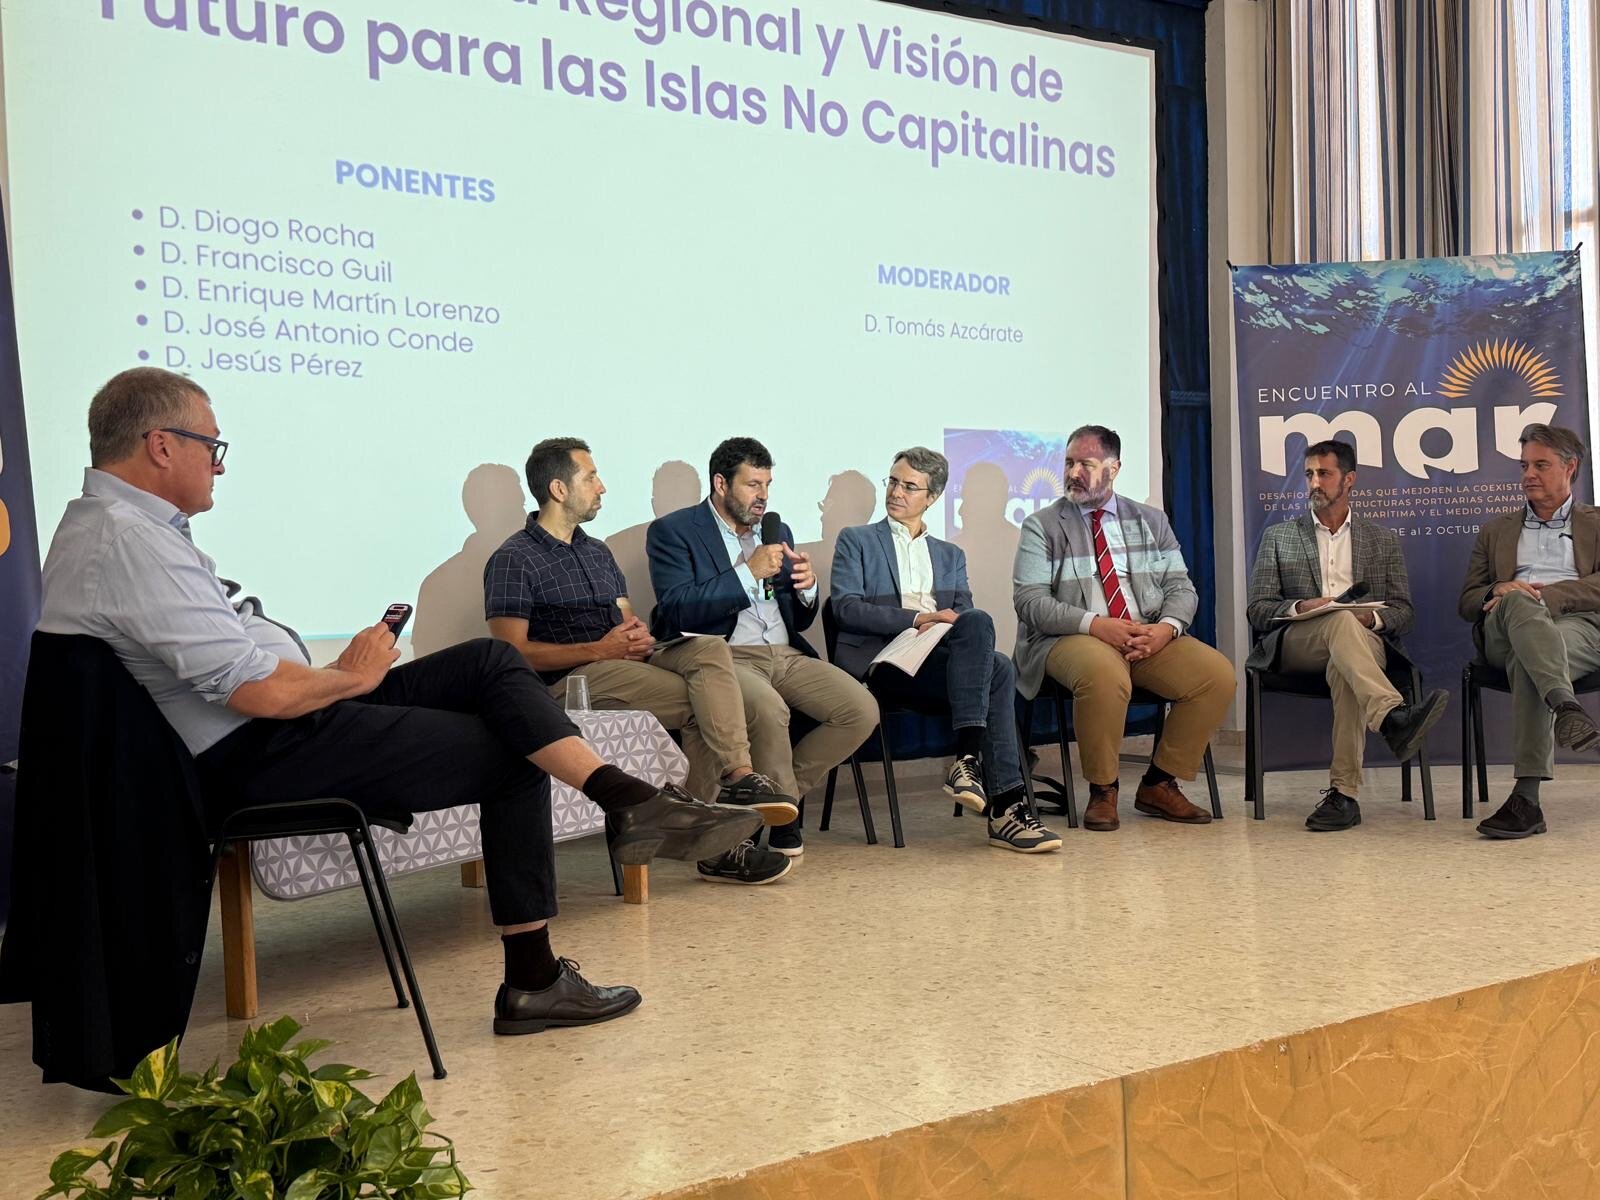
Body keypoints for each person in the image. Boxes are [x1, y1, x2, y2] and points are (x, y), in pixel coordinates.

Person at [36, 368, 761, 1036]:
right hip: (262, 741)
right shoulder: (128, 540)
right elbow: (253, 690)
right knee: (514, 751)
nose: (218, 464)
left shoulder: (122, 528)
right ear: (161, 445)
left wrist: (339, 674)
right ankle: (537, 973)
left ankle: (624, 801)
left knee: (488, 662)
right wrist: (349, 679)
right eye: (211, 446)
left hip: (286, 713)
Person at [484, 437, 795, 886]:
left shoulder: (596, 551)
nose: (602, 487)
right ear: (558, 489)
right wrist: (601, 649)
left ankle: (730, 789)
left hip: (625, 664)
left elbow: (627, 619)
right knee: (704, 703)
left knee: (708, 649)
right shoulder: (514, 559)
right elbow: (510, 653)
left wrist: (637, 637)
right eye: (591, 477)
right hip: (571, 679)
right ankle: (716, 830)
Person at [647, 437, 878, 857]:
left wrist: (807, 589)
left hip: (786, 654)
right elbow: (677, 609)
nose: (763, 496)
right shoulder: (674, 531)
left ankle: (775, 801)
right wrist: (745, 573)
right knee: (770, 711)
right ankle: (784, 822)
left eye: (767, 485)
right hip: (726, 655)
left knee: (860, 710)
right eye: (753, 485)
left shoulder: (776, 531)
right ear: (721, 484)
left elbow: (797, 617)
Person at [830, 447, 1061, 853]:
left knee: (987, 643)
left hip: (937, 661)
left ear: (932, 497)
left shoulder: (949, 554)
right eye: (893, 481)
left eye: (909, 486)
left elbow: (965, 618)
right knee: (998, 667)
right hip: (886, 662)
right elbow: (846, 609)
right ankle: (999, 799)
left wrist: (942, 626)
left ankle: (974, 771)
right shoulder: (857, 540)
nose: (896, 492)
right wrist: (918, 619)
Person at [1012, 424, 1233, 832]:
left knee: (1216, 676)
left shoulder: (1151, 520)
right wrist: (1096, 625)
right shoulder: (1042, 525)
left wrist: (1166, 628)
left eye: (1086, 464)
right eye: (1069, 463)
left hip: (1145, 634)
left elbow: (1180, 587)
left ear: (1114, 469)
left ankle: (1159, 784)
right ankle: (1103, 789)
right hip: (1071, 636)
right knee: (1104, 673)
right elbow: (1030, 602)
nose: (1073, 473)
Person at [1246, 439, 1449, 830]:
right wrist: (1302, 607)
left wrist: (1369, 620)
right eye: (1309, 474)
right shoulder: (1279, 537)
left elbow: (1404, 612)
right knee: (1338, 623)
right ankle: (1392, 716)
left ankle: (1344, 796)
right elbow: (1258, 609)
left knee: (1346, 661)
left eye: (1324, 474)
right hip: (1299, 642)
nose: (1314, 483)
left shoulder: (1382, 539)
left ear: (1349, 479)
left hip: (1363, 640)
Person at [1458, 423, 1600, 839]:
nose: (1529, 475)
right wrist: (1500, 589)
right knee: (1518, 603)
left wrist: (1547, 596)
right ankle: (1565, 706)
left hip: (1579, 628)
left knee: (1531, 654)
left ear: (1570, 467)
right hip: (1502, 630)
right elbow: (1467, 602)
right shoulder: (1496, 530)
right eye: (1524, 466)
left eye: (1541, 465)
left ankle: (1527, 801)